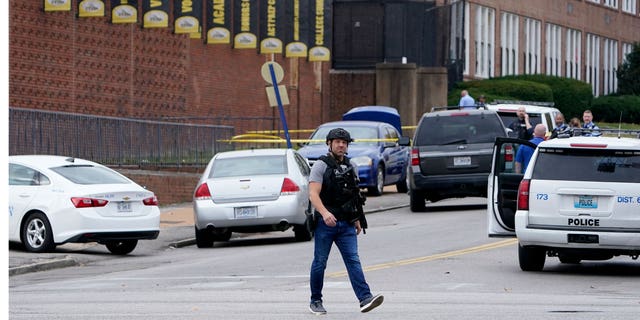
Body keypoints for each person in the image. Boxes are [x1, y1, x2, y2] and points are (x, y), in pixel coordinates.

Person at [308, 128, 384, 315]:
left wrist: (357, 218)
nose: (341, 145)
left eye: (344, 142)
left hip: (346, 224)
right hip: (326, 223)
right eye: (337, 142)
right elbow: (312, 194)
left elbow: (354, 195)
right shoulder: (321, 165)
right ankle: (315, 300)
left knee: (353, 260)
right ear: (329, 144)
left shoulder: (351, 166)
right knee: (320, 262)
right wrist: (325, 213)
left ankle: (365, 298)